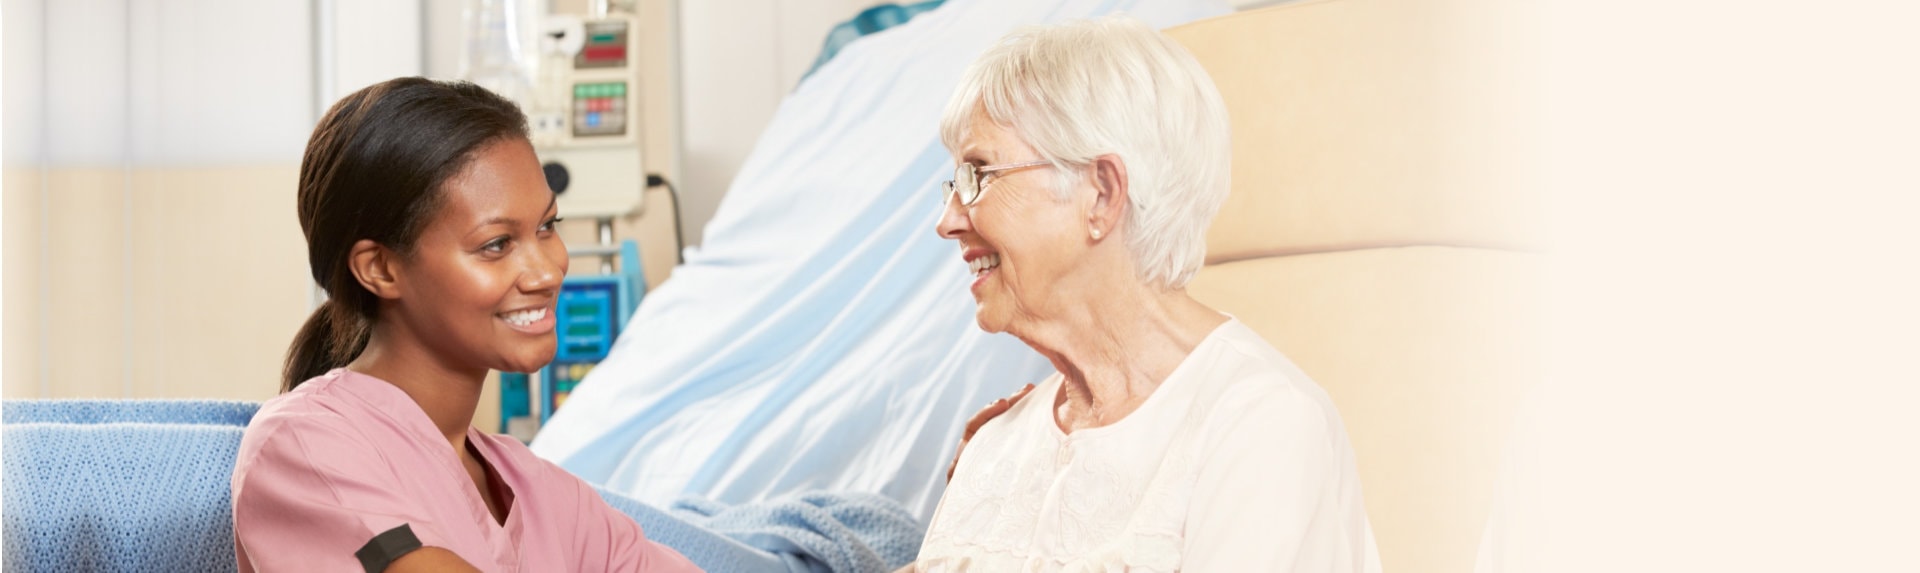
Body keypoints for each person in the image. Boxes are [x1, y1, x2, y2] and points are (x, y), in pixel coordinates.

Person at [909, 16, 1379, 571]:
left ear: (1102, 194)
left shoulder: (1261, 425)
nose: (947, 221)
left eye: (979, 174)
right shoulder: (995, 447)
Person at [229, 77, 700, 572]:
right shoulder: (305, 445)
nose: (546, 271)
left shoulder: (549, 500)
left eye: (547, 227)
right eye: (496, 245)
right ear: (380, 268)